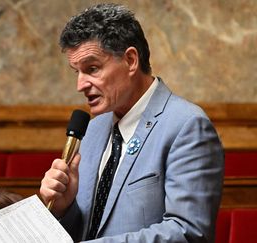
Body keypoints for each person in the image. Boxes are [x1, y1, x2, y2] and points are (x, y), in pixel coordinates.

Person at [40, 3, 224, 243]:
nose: (80, 85)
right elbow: (87, 232)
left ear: (130, 60)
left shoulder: (187, 125)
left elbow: (188, 233)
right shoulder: (94, 130)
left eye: (92, 69)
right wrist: (64, 209)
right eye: (77, 72)